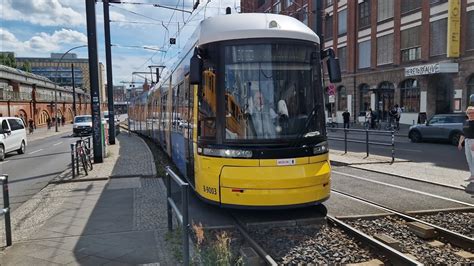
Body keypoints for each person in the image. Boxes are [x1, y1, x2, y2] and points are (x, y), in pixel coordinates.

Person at [459, 105, 474, 186]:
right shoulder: (466, 122)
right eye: (469, 113)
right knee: (469, 159)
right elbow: (463, 133)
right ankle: (472, 175)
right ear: (467, 113)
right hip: (467, 141)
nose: (470, 114)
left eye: (472, 112)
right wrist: (460, 143)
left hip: (473, 141)